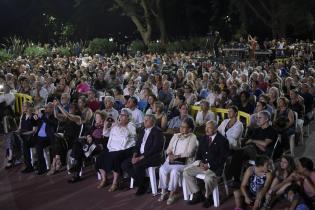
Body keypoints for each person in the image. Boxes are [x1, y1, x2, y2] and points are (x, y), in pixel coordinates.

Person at [183, 120, 230, 208]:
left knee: (208, 179)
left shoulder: (223, 141)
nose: (207, 130)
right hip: (202, 166)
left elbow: (222, 159)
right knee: (186, 172)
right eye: (206, 127)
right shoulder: (203, 138)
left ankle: (209, 197)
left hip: (215, 168)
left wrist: (208, 165)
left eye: (210, 128)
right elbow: (199, 154)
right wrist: (200, 162)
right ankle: (198, 193)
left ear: (216, 129)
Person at [158, 118, 198, 205]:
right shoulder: (176, 135)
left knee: (174, 171)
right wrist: (170, 155)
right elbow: (168, 149)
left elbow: (190, 152)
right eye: (181, 126)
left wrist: (178, 156)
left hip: (185, 162)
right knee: (162, 169)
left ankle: (172, 194)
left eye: (184, 127)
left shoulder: (193, 137)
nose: (181, 128)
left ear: (190, 129)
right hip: (172, 160)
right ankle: (164, 191)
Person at [121, 114, 164, 195]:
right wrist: (134, 156)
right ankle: (143, 181)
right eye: (144, 119)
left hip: (153, 156)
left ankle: (141, 186)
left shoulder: (157, 132)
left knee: (137, 165)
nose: (145, 121)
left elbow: (155, 149)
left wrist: (139, 158)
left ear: (153, 121)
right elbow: (137, 145)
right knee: (125, 164)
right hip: (140, 155)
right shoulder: (142, 130)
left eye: (147, 120)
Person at [95, 108, 136, 191]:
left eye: (123, 115)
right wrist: (106, 125)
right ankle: (104, 179)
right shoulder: (117, 124)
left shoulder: (131, 125)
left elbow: (126, 135)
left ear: (128, 117)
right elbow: (106, 134)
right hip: (113, 147)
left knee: (114, 158)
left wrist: (120, 125)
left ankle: (115, 182)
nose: (121, 116)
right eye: (120, 114)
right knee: (100, 157)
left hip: (126, 148)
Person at [33, 102, 58, 175]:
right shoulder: (43, 115)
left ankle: (43, 167)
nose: (46, 109)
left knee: (39, 146)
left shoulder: (54, 116)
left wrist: (42, 117)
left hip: (48, 138)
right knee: (33, 144)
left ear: (52, 108)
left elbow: (52, 123)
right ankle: (39, 166)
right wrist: (34, 118)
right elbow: (35, 124)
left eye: (48, 107)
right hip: (38, 137)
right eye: (45, 107)